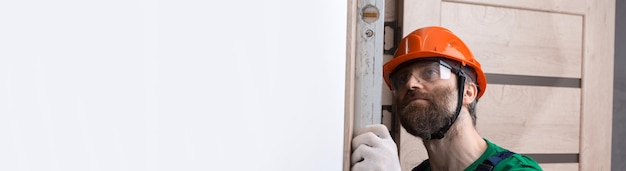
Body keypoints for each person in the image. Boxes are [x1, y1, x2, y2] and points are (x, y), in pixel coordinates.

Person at [350, 26, 542, 171]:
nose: (410, 84)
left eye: (431, 72)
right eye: (401, 79)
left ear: (468, 92)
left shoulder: (515, 169)